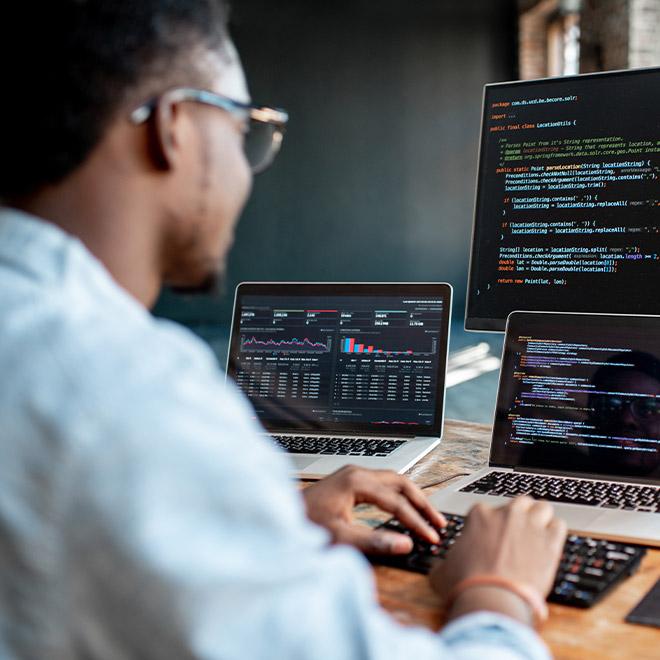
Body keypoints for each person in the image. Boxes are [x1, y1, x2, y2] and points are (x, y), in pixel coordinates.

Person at [0, 2, 566, 658]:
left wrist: (257, 525)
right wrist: (498, 590)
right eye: (246, 130)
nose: (248, 168)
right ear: (174, 127)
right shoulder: (127, 392)